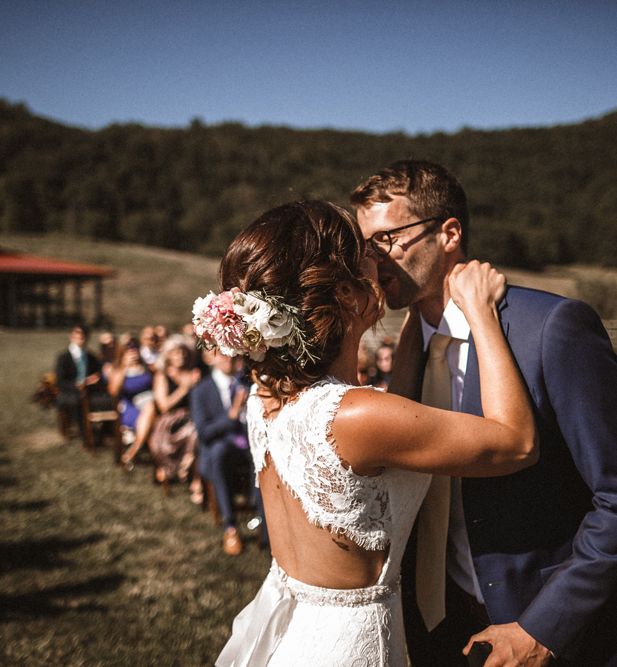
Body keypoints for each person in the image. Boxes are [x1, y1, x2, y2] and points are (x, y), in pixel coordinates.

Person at [193, 200, 537, 666]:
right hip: (353, 647)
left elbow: (394, 405)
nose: (381, 261)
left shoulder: (268, 399)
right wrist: (480, 312)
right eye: (367, 257)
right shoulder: (357, 416)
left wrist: (420, 315)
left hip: (296, 630)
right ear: (347, 296)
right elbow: (516, 442)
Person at [351, 160, 617, 666]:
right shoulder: (411, 347)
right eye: (364, 246)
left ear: (449, 232)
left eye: (385, 239)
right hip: (435, 619)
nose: (371, 259)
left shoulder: (551, 329)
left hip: (544, 626)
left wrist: (545, 627)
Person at [190, 352, 259, 556]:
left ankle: (263, 518)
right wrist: (233, 413)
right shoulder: (201, 390)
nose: (229, 360)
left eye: (234, 356)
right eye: (223, 355)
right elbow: (204, 432)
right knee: (217, 454)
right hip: (220, 450)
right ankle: (230, 526)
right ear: (212, 358)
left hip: (248, 443)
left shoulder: (248, 384)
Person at [147, 335, 200, 485]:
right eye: (176, 352)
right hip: (170, 420)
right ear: (168, 355)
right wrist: (184, 388)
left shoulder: (193, 372)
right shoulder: (162, 375)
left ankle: (189, 464)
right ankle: (181, 467)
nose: (181, 356)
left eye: (183, 352)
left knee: (196, 429)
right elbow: (164, 406)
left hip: (191, 416)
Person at [107, 338, 156, 469]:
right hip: (131, 405)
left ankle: (134, 449)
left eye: (134, 350)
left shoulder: (147, 367)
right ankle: (136, 450)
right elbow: (113, 391)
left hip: (152, 403)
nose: (133, 354)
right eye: (129, 351)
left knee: (151, 406)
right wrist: (124, 368)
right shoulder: (118, 370)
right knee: (150, 409)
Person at [54, 324, 104, 440]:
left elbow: (98, 374)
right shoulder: (63, 358)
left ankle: (104, 430)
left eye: (83, 335)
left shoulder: (91, 357)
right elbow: (60, 381)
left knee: (105, 400)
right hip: (69, 392)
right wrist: (77, 386)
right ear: (71, 337)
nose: (81, 336)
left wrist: (95, 379)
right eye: (77, 333)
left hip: (89, 391)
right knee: (77, 401)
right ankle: (85, 433)